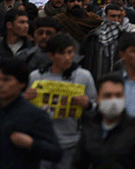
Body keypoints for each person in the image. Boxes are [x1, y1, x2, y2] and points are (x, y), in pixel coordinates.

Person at [0, 58, 63, 169]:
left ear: (21, 84)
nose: (0, 85)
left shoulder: (35, 115)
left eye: (6, 80)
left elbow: (56, 153)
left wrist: (32, 144)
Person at [26, 34, 97, 169]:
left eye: (70, 52)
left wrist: (88, 104)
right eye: (62, 53)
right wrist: (25, 99)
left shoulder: (84, 76)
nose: (67, 57)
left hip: (71, 143)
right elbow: (26, 110)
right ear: (51, 55)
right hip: (42, 141)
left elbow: (96, 108)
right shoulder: (36, 77)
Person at [72, 73, 135, 169]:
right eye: (107, 96)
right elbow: (78, 163)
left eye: (118, 95)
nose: (113, 101)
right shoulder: (90, 128)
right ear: (98, 99)